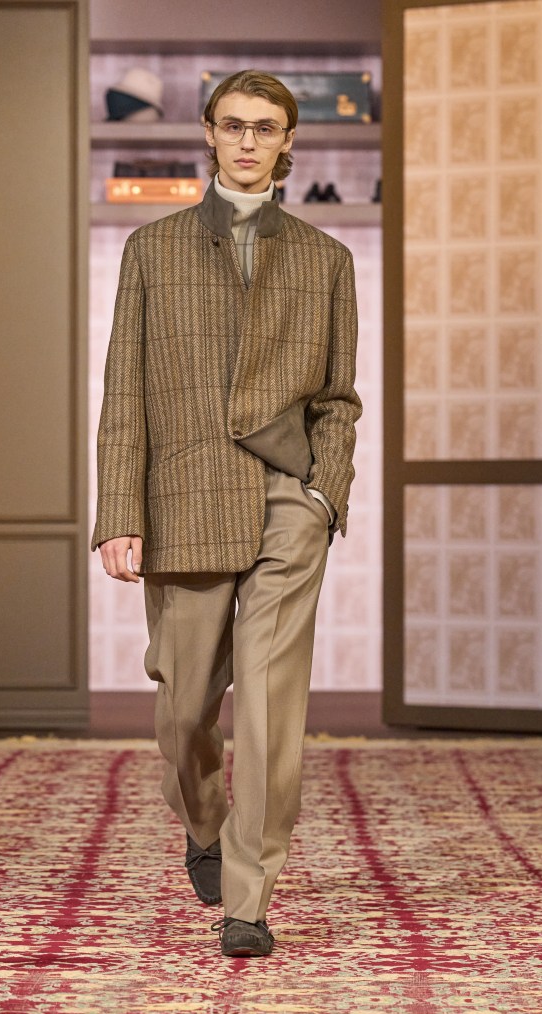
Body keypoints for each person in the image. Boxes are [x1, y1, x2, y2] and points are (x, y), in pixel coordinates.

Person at [92, 69, 361, 957]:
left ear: (288, 141)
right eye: (234, 125)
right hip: (186, 495)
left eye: (265, 127)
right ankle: (203, 821)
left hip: (289, 498)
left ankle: (249, 897)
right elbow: (125, 393)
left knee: (271, 705)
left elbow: (338, 399)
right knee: (183, 712)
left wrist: (324, 494)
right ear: (208, 133)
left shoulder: (325, 259)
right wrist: (118, 512)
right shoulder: (152, 249)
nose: (248, 141)